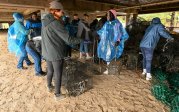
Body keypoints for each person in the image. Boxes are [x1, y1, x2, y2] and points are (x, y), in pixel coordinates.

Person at [41, 0, 82, 101]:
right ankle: (57, 94)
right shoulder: (55, 23)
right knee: (58, 73)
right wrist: (82, 40)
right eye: (61, 12)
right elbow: (69, 39)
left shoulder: (45, 20)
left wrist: (62, 23)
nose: (62, 13)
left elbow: (54, 33)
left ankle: (49, 86)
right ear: (55, 11)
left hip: (47, 51)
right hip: (55, 52)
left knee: (50, 70)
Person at [97, 9, 129, 74]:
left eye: (109, 15)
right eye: (107, 15)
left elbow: (120, 33)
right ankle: (108, 68)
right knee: (107, 55)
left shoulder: (117, 23)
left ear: (112, 15)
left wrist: (118, 40)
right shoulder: (106, 23)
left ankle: (109, 69)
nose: (107, 17)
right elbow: (102, 31)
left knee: (110, 55)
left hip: (113, 43)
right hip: (107, 43)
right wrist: (97, 34)